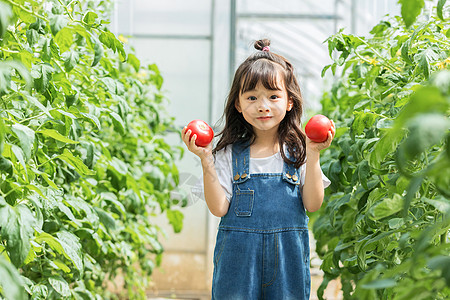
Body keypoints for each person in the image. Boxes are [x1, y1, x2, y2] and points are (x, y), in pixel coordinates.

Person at [181, 39, 335, 300]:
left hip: (288, 264)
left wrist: (314, 155)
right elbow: (219, 208)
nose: (263, 105)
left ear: (289, 102)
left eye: (273, 96)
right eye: (252, 97)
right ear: (238, 105)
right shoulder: (229, 154)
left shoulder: (299, 152)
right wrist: (206, 160)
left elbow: (313, 203)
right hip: (238, 265)